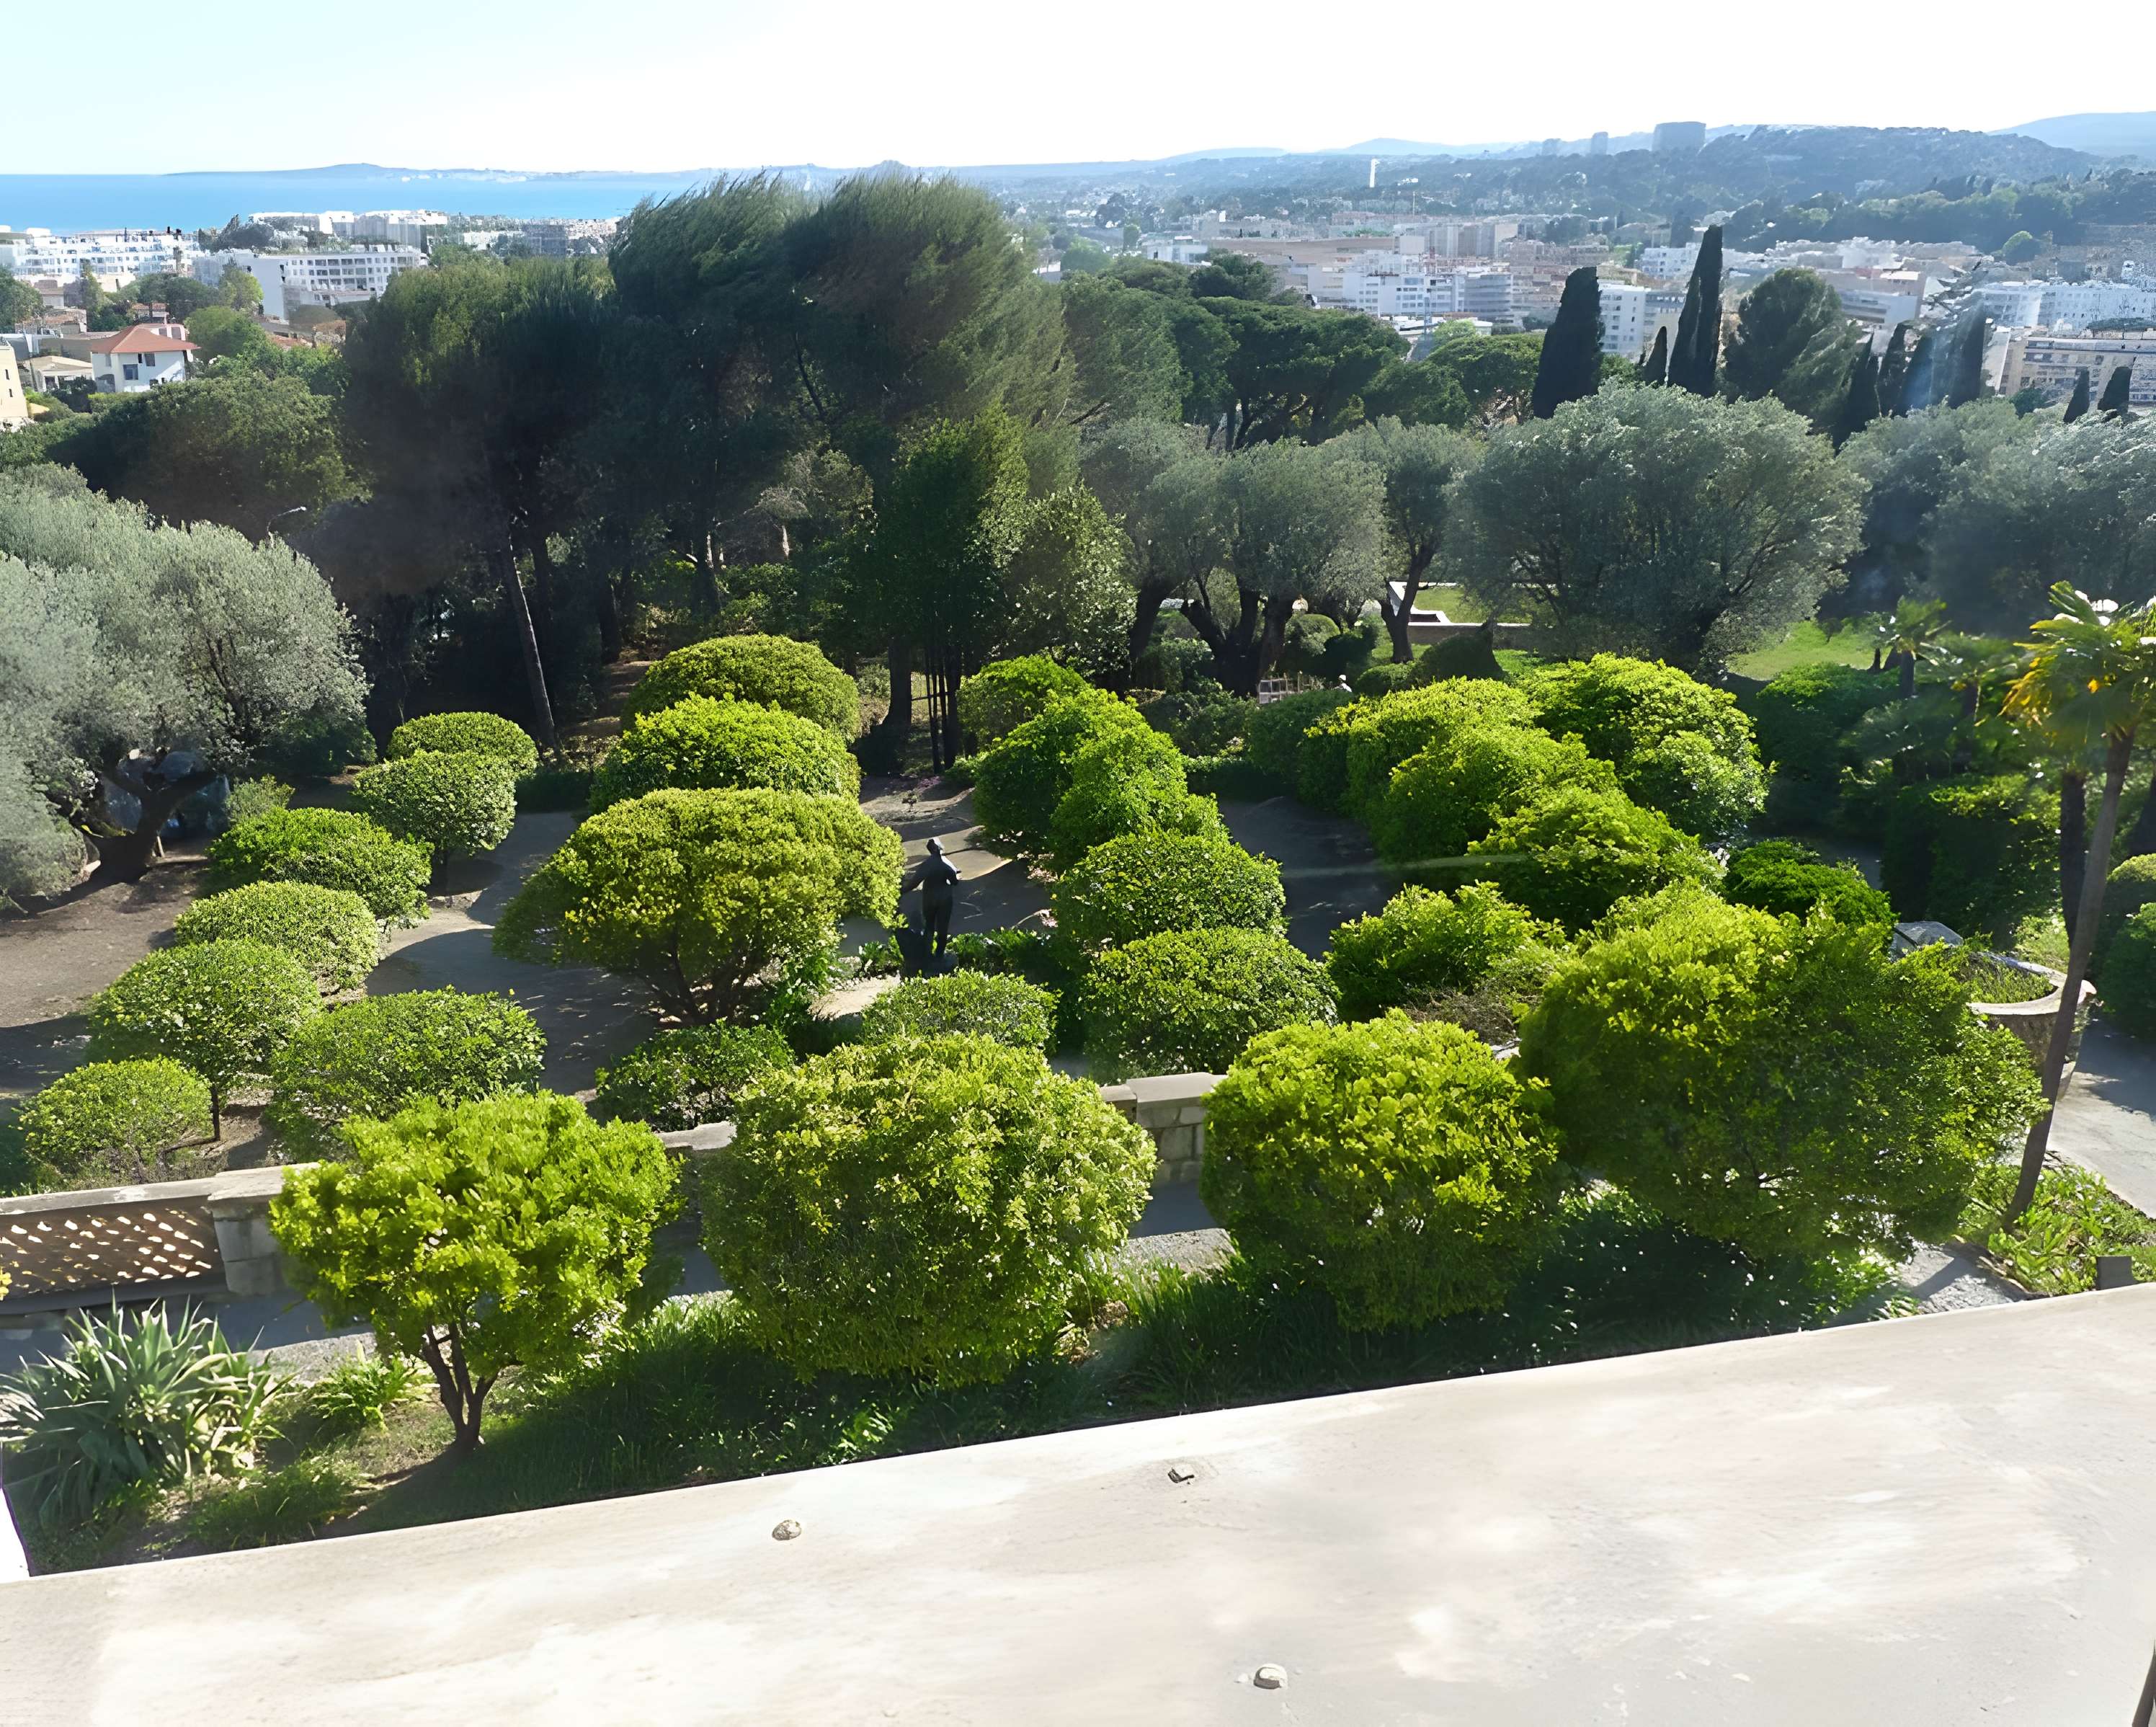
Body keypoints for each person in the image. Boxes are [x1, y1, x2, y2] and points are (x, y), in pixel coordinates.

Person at [918, 836, 961, 967]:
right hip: (943, 900)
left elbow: (917, 880)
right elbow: (954, 881)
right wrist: (957, 876)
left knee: (929, 926)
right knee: (942, 928)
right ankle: (939, 955)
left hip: (929, 899)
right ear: (938, 849)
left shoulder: (927, 864)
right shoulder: (945, 863)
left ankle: (926, 954)